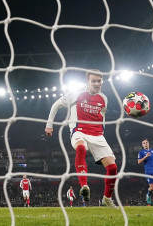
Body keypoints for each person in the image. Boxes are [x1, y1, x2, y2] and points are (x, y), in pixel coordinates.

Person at [45, 70, 118, 208]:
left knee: (113, 168)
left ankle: (107, 199)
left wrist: (101, 130)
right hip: (79, 131)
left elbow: (102, 115)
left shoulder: (104, 99)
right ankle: (84, 186)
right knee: (80, 148)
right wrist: (49, 125)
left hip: (97, 135)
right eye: (94, 81)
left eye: (99, 81)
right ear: (87, 82)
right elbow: (56, 105)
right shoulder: (76, 94)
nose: (97, 83)